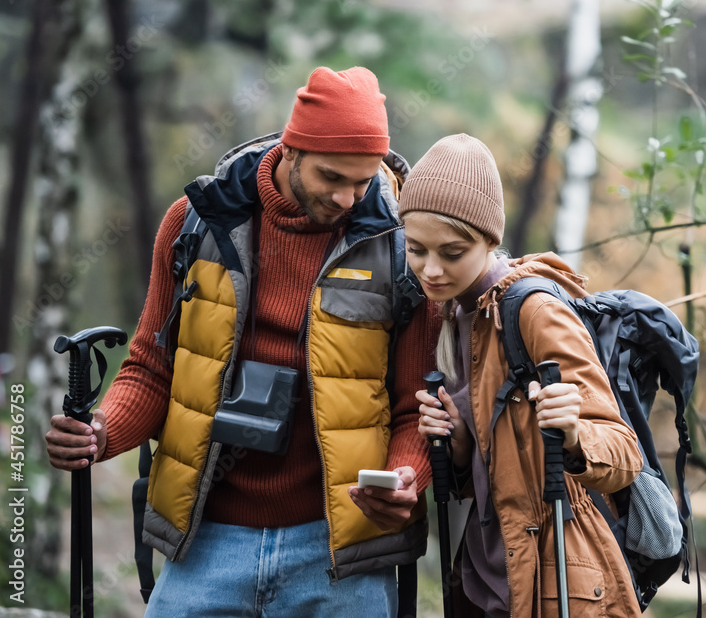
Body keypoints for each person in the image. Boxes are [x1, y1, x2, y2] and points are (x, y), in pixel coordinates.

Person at [45, 66, 440, 617]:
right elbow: (152, 368)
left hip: (339, 551)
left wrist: (406, 478)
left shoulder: (402, 249)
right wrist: (100, 432)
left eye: (364, 180)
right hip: (207, 541)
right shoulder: (195, 224)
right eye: (333, 177)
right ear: (293, 150)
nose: (350, 198)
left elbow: (416, 405)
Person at [400, 134, 644, 617]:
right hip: (485, 576)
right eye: (415, 249)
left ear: (491, 241)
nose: (430, 269)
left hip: (558, 582)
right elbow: (494, 478)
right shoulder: (451, 317)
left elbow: (623, 453)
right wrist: (456, 439)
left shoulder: (533, 311)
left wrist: (574, 434)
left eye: (452, 252)